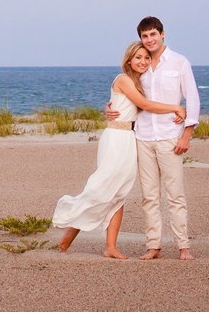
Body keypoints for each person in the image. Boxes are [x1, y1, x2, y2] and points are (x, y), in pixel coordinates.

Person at [52, 41, 186, 259]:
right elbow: (145, 104)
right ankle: (70, 229)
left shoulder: (139, 81)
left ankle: (110, 247)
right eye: (138, 58)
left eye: (146, 57)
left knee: (119, 193)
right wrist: (176, 107)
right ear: (129, 61)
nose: (143, 61)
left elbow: (135, 106)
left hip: (129, 139)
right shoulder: (123, 79)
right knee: (102, 187)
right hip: (115, 138)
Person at [110, 15, 201, 261]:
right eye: (144, 36)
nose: (149, 40)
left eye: (153, 34)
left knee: (175, 194)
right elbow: (129, 99)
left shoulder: (179, 62)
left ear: (162, 34)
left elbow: (192, 98)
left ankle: (183, 246)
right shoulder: (140, 67)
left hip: (170, 137)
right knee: (149, 196)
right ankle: (154, 246)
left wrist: (187, 135)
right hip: (142, 137)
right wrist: (109, 109)